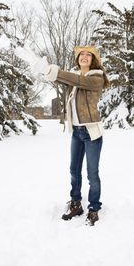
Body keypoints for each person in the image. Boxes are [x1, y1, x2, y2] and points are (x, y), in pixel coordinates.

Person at [44, 46, 109, 226]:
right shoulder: (73, 80)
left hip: (91, 133)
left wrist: (56, 72)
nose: (85, 57)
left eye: (89, 55)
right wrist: (48, 71)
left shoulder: (97, 77)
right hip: (77, 132)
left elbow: (77, 80)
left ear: (94, 59)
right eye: (82, 54)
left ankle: (94, 208)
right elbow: (65, 79)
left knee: (92, 174)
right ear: (78, 58)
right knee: (74, 171)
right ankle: (76, 203)